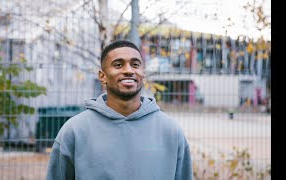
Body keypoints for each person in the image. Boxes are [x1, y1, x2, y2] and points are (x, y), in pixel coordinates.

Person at [46, 40, 193, 180]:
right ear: (102, 76)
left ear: (143, 74)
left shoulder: (171, 131)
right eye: (118, 65)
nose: (128, 70)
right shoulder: (75, 131)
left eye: (135, 65)